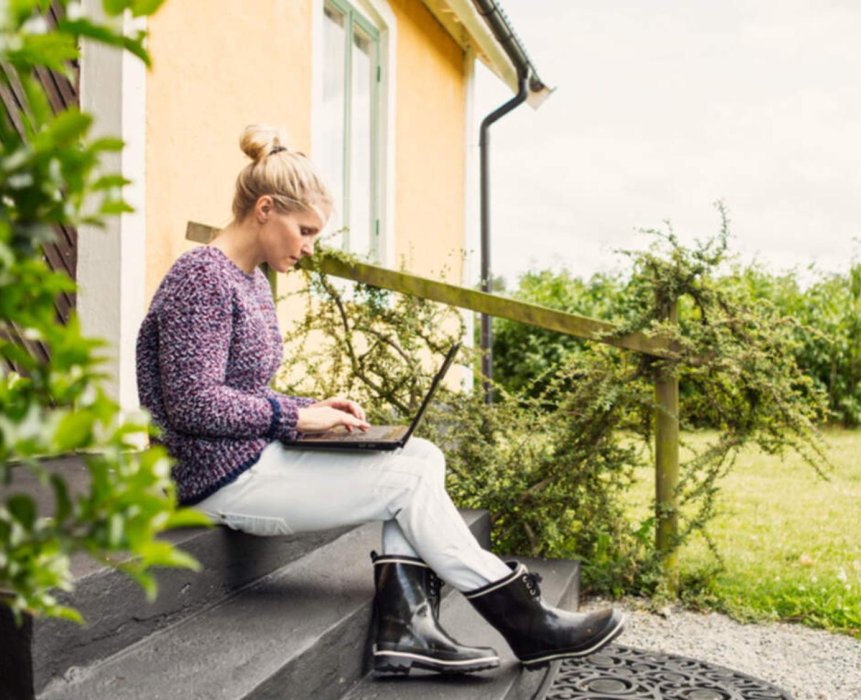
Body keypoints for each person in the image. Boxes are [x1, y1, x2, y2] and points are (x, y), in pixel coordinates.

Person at [135, 124, 626, 676]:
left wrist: (315, 408)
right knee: (407, 482)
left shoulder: (248, 280)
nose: (310, 247)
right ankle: (525, 623)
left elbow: (241, 390)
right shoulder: (201, 278)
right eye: (305, 230)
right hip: (210, 478)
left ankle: (408, 627)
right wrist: (296, 416)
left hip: (248, 457)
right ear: (265, 209)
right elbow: (192, 403)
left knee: (421, 456)